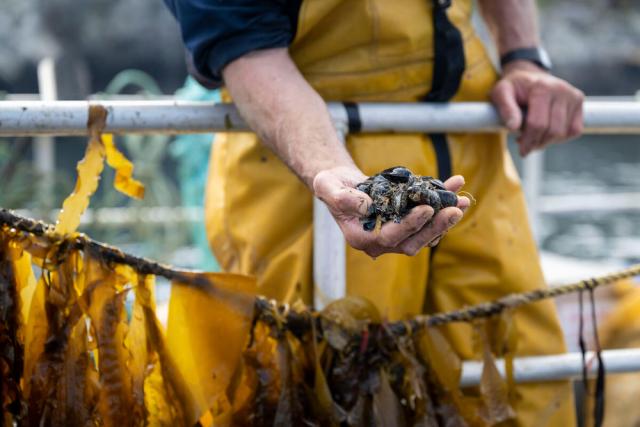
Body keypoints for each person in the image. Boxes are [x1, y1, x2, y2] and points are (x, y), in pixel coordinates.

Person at [164, 0, 584, 424]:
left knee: (528, 387)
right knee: (322, 389)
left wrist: (523, 58)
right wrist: (329, 168)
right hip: (310, 163)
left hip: (475, 147)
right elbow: (242, 42)